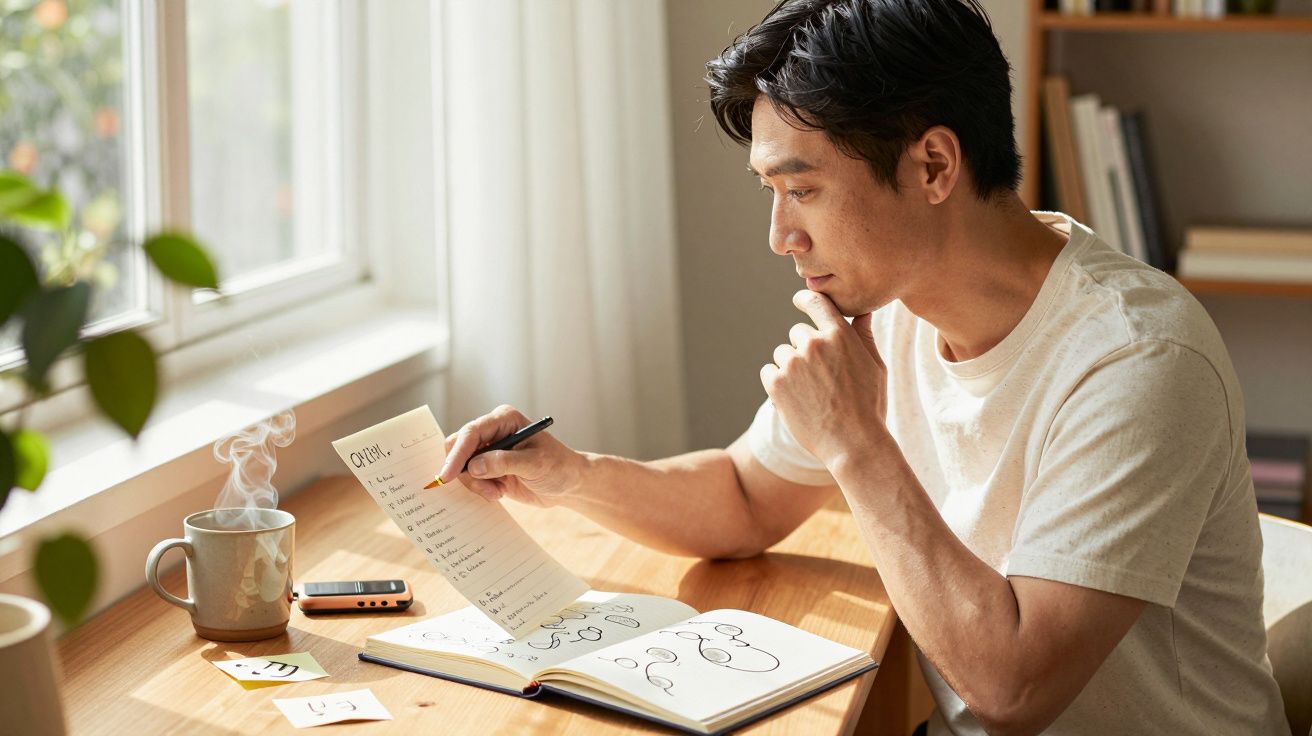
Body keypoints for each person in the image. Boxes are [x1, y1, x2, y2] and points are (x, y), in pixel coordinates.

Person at [435, 1, 1289, 733]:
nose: (780, 236)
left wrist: (855, 443)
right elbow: (742, 495)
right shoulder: (891, 308)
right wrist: (572, 475)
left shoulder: (1136, 360)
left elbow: (1014, 690)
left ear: (933, 165)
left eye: (801, 190)